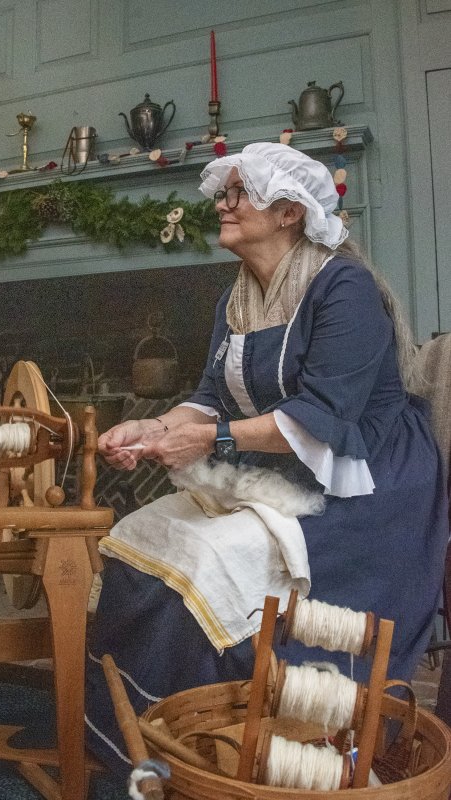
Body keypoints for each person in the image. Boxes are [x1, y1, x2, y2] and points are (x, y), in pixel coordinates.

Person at [84, 142, 449, 776]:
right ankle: (154, 736)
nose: (222, 204)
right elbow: (207, 397)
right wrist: (155, 425)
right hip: (284, 469)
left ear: (289, 212)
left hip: (365, 481)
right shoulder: (242, 297)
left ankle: (231, 738)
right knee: (138, 534)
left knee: (209, 555)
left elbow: (325, 416)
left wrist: (210, 441)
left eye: (238, 192)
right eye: (223, 193)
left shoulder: (345, 288)